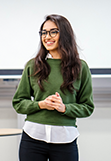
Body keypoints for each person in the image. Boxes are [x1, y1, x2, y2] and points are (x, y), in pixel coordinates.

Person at [12, 14, 94, 161]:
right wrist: (41, 104)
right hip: (32, 138)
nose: (47, 37)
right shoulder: (33, 66)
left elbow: (87, 107)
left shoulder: (81, 68)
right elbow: (18, 102)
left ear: (65, 34)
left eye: (53, 32)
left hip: (65, 140)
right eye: (44, 32)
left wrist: (64, 108)